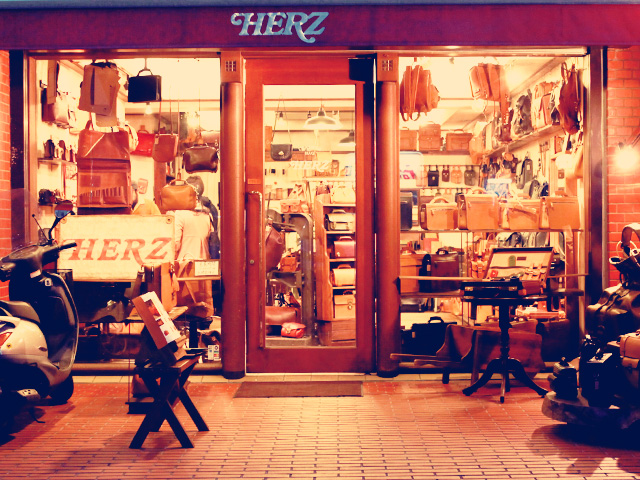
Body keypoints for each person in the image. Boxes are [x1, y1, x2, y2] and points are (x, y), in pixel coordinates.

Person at [173, 175, 212, 261]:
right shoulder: (208, 215)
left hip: (185, 263)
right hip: (204, 263)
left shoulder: (180, 214)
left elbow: (175, 245)